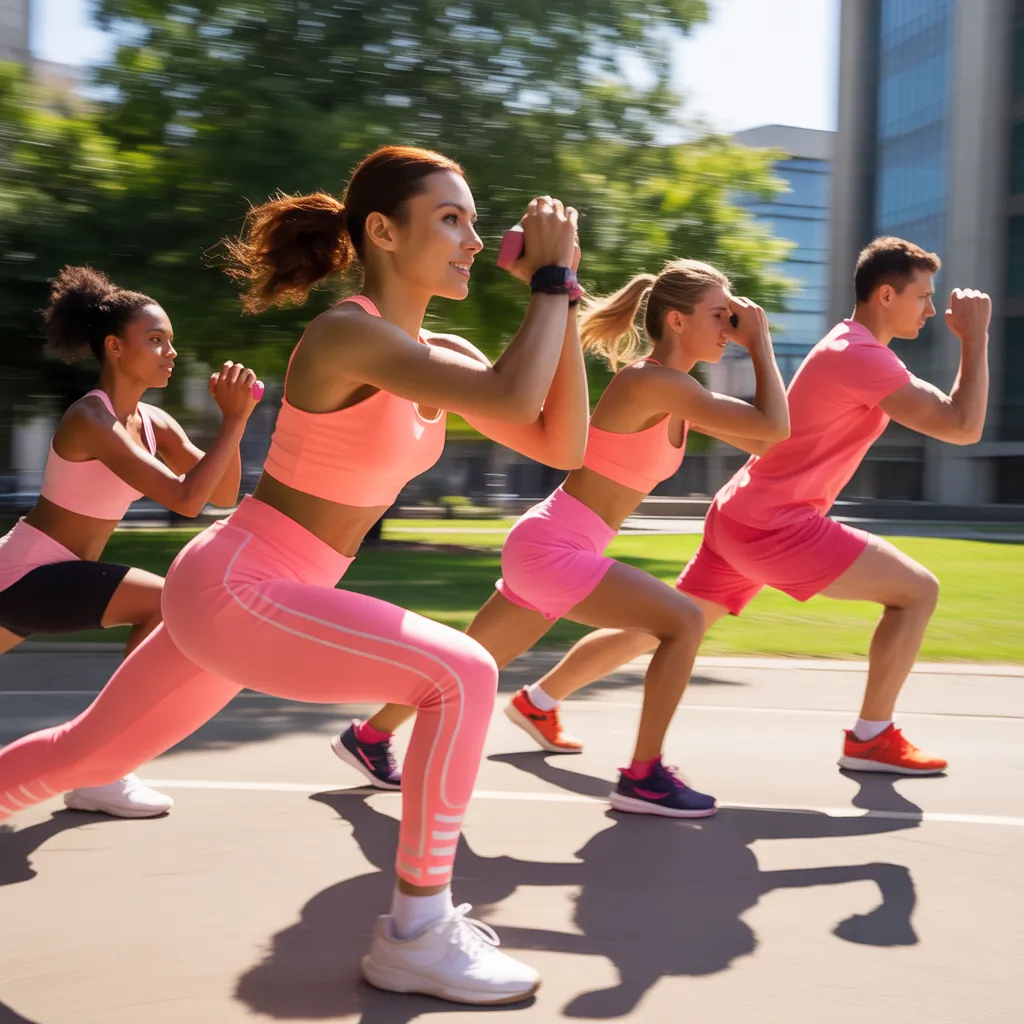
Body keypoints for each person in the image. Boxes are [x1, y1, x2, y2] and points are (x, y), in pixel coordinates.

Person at [0, 145, 588, 1005]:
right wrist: (547, 283)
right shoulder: (349, 333)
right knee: (462, 673)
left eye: (472, 218)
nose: (470, 239)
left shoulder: (446, 348)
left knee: (88, 752)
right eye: (450, 219)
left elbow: (558, 442)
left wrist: (564, 295)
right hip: (241, 584)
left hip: (256, 590)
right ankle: (419, 933)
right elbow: (509, 395)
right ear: (382, 232)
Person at [508, 236, 991, 776]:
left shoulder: (850, 347)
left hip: (743, 513)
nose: (931, 308)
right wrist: (974, 340)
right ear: (885, 295)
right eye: (924, 296)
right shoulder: (861, 356)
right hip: (777, 525)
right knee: (917, 592)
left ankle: (539, 700)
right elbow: (962, 426)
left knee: (664, 624)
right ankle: (871, 738)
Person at [336, 258, 790, 818]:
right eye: (720, 316)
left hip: (554, 545)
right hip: (555, 549)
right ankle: (643, 778)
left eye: (734, 319)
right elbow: (774, 428)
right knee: (684, 621)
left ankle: (369, 738)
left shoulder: (677, 392)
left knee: (472, 661)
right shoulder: (653, 383)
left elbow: (769, 440)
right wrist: (761, 345)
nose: (731, 328)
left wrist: (752, 343)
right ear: (676, 320)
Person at [0, 265, 261, 817]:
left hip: (54, 581)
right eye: (155, 339)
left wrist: (231, 422)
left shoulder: (153, 422)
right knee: (168, 602)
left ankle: (103, 767)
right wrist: (235, 420)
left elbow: (226, 490)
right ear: (115, 347)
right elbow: (188, 500)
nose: (169, 351)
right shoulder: (91, 417)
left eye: (171, 341)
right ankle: (105, 765)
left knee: (166, 605)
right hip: (24, 574)